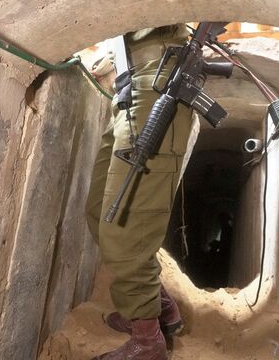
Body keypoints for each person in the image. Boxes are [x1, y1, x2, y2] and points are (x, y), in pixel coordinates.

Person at [85, 24, 193, 360]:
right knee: (98, 211)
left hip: (158, 82)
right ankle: (157, 309)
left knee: (126, 225)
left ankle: (148, 342)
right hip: (129, 88)